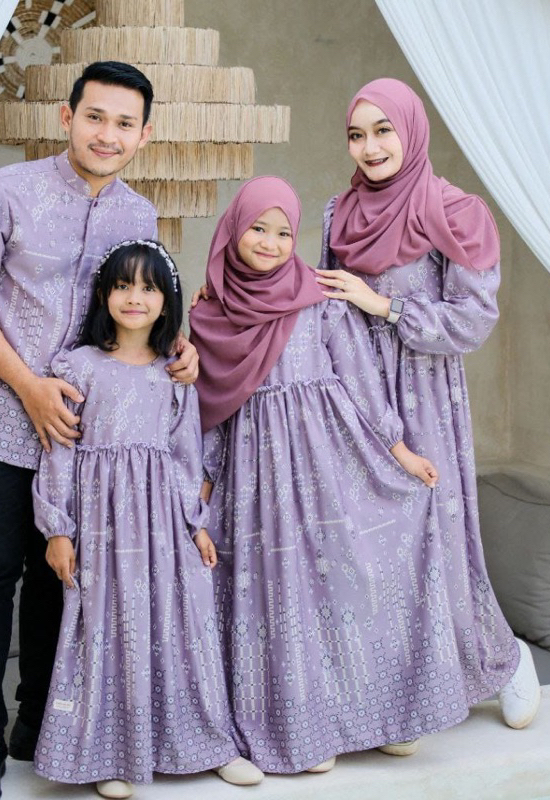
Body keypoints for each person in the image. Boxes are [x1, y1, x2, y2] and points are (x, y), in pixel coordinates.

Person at [0, 62, 199, 800]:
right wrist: (28, 385)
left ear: (144, 135)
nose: (107, 134)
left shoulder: (139, 216)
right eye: (95, 117)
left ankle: (37, 724)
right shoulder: (5, 190)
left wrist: (181, 349)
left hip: (86, 441)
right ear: (67, 117)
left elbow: (141, 313)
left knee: (64, 577)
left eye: (124, 123)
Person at [189, 176, 454, 774]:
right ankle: (304, 726)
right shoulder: (210, 314)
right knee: (280, 594)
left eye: (284, 232)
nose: (271, 242)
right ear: (233, 230)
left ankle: (384, 716)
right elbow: (208, 412)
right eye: (258, 228)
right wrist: (201, 490)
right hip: (255, 480)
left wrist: (399, 451)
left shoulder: (320, 298)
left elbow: (360, 379)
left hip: (329, 466)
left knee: (345, 585)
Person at [315, 77, 540, 750]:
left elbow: (472, 320)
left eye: (383, 130)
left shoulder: (456, 211)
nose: (370, 147)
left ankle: (503, 658)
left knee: (435, 537)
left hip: (426, 394)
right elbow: (326, 308)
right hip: (360, 395)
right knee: (372, 543)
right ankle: (401, 694)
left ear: (411, 130)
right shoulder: (337, 214)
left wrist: (382, 306)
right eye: (357, 134)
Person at [32, 241, 263, 800]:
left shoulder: (174, 374)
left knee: (184, 625)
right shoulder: (77, 367)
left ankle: (210, 745)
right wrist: (58, 529)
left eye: (149, 288)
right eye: (123, 286)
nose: (134, 298)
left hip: (164, 526)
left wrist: (197, 524)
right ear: (103, 295)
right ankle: (111, 752)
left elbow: (186, 457)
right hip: (102, 527)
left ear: (166, 301)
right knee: (106, 629)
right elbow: (58, 452)